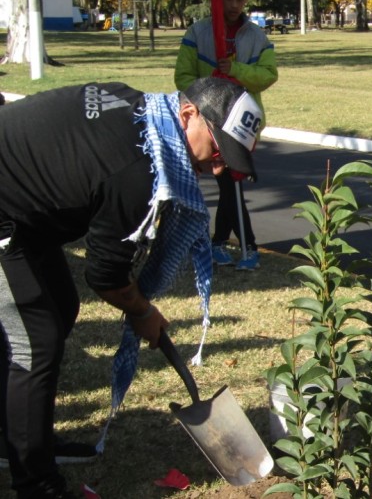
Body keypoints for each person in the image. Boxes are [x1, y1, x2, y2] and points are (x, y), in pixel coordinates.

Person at [0, 77, 263, 499]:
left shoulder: (140, 110)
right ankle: (36, 484)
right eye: (217, 151)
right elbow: (104, 275)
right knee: (36, 340)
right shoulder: (137, 169)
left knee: (61, 307)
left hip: (29, 214)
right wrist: (142, 311)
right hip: (7, 213)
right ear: (188, 113)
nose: (217, 168)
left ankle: (19, 431)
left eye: (228, 160)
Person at [174, 0, 278, 271]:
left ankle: (225, 243)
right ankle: (237, 244)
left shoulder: (256, 36)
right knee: (229, 184)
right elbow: (183, 77)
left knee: (232, 183)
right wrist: (210, 86)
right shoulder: (197, 33)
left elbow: (268, 74)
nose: (235, 5)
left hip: (243, 124)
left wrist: (235, 71)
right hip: (208, 124)